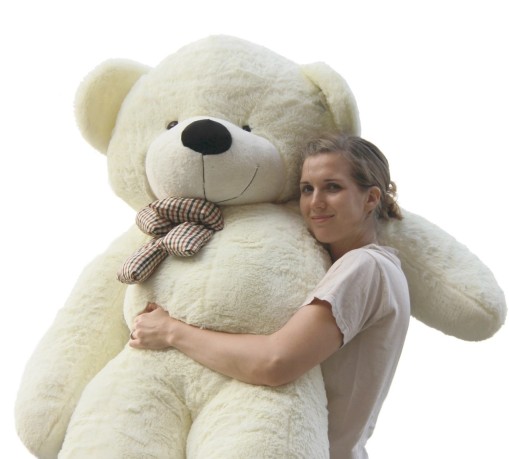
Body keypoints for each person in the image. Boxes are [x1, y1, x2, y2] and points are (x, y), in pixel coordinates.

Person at [129, 134, 410, 459]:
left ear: (371, 198)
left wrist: (170, 331)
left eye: (333, 187)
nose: (315, 202)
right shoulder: (362, 267)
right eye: (307, 189)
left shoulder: (366, 267)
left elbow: (275, 362)